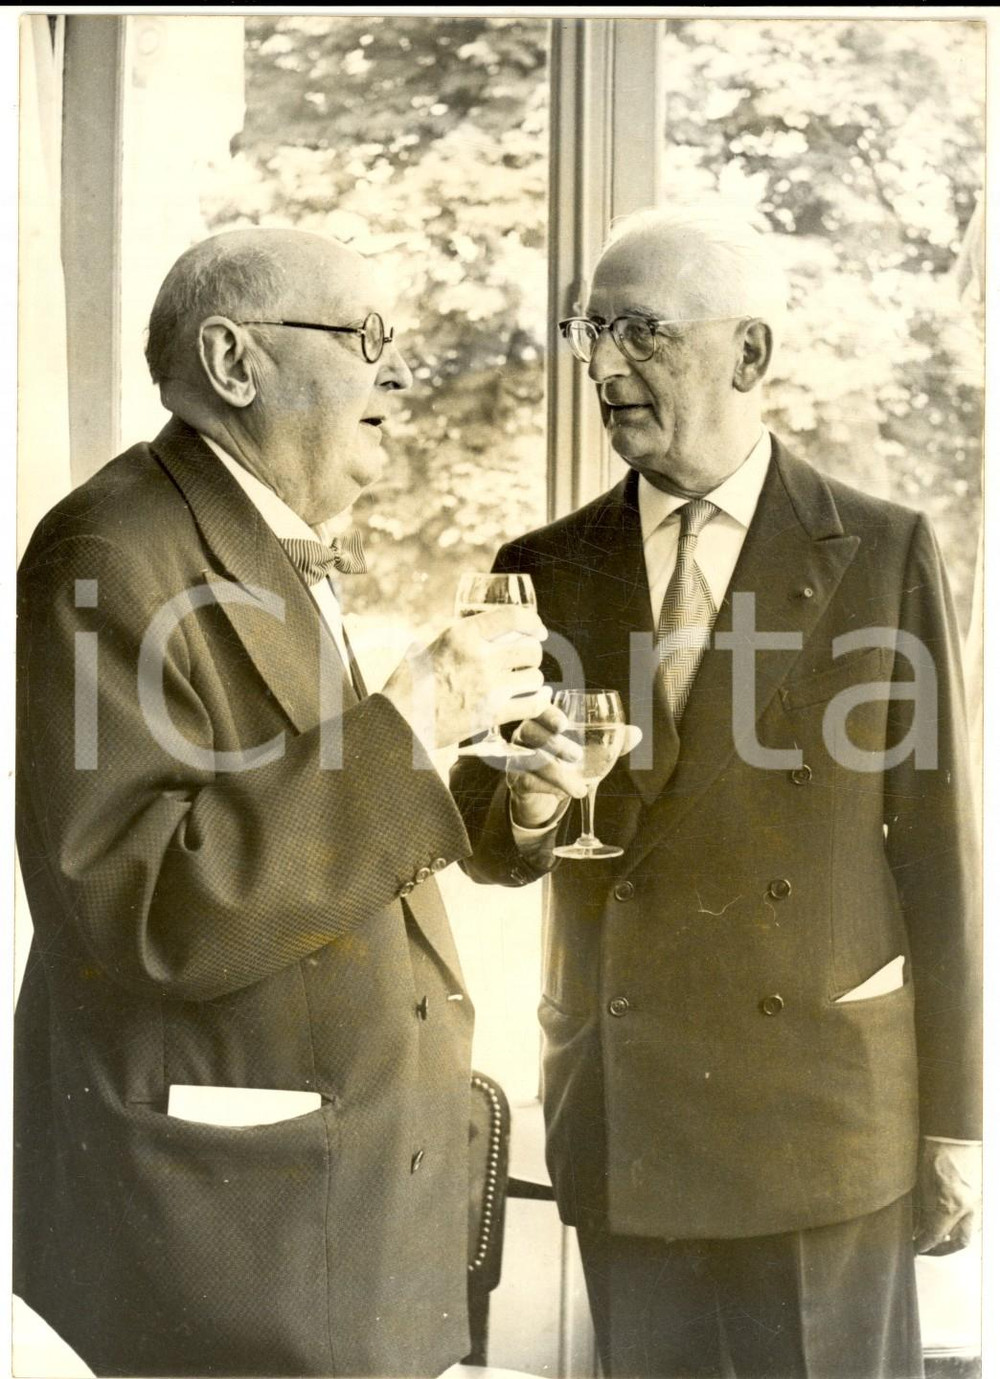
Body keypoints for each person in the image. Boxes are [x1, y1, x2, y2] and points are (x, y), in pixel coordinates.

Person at [451, 204, 982, 1378]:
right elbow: (487, 838)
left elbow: (939, 850)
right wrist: (533, 807)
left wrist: (955, 1117)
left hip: (825, 1119)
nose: (601, 365)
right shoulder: (537, 568)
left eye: (642, 332)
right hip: (630, 1110)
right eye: (592, 329)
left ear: (748, 355)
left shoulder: (882, 550)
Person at [14, 228, 550, 1378]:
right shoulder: (111, 547)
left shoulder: (256, 535)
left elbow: (298, 820)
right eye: (366, 338)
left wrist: (501, 786)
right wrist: (407, 728)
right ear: (232, 359)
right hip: (226, 1237)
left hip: (334, 1214)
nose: (396, 374)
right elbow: (139, 904)